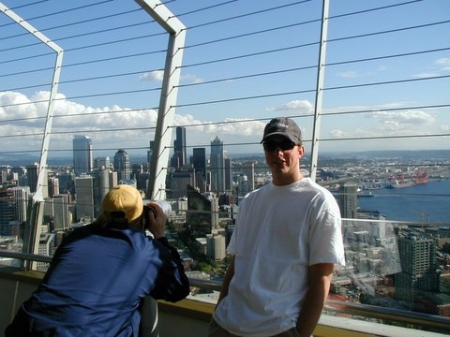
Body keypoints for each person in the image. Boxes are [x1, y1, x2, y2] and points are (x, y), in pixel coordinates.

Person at [208, 117, 345, 337]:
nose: (278, 153)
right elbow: (236, 264)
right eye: (270, 146)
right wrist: (219, 310)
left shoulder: (319, 201)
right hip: (226, 324)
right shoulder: (250, 201)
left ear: (300, 151)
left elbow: (322, 276)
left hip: (277, 328)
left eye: (286, 145)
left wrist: (300, 333)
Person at [6, 184, 189, 337]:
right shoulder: (146, 251)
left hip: (26, 327)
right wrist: (160, 235)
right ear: (141, 218)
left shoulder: (76, 238)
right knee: (132, 316)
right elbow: (179, 289)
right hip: (85, 333)